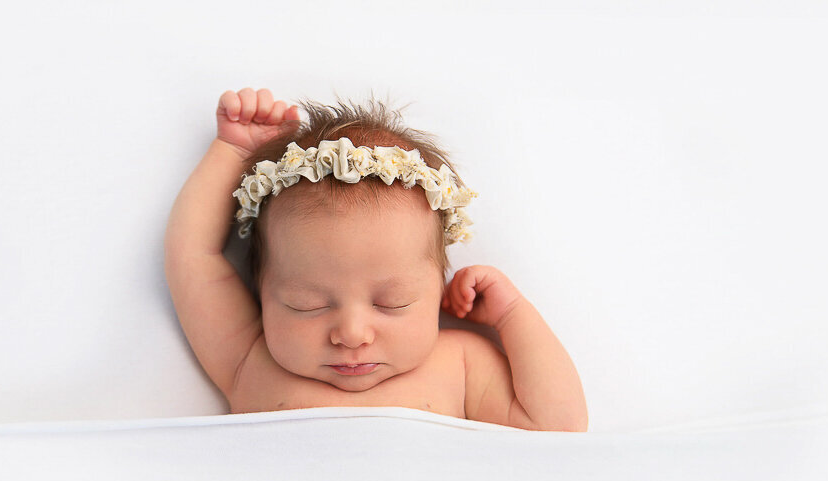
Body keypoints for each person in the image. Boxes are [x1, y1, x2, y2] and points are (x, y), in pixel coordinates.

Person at [164, 87, 588, 431]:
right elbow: (192, 255)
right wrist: (233, 151)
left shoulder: (457, 364)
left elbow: (558, 427)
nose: (351, 334)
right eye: (306, 305)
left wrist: (512, 314)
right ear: (262, 291)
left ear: (438, 289)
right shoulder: (248, 358)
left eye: (392, 302)